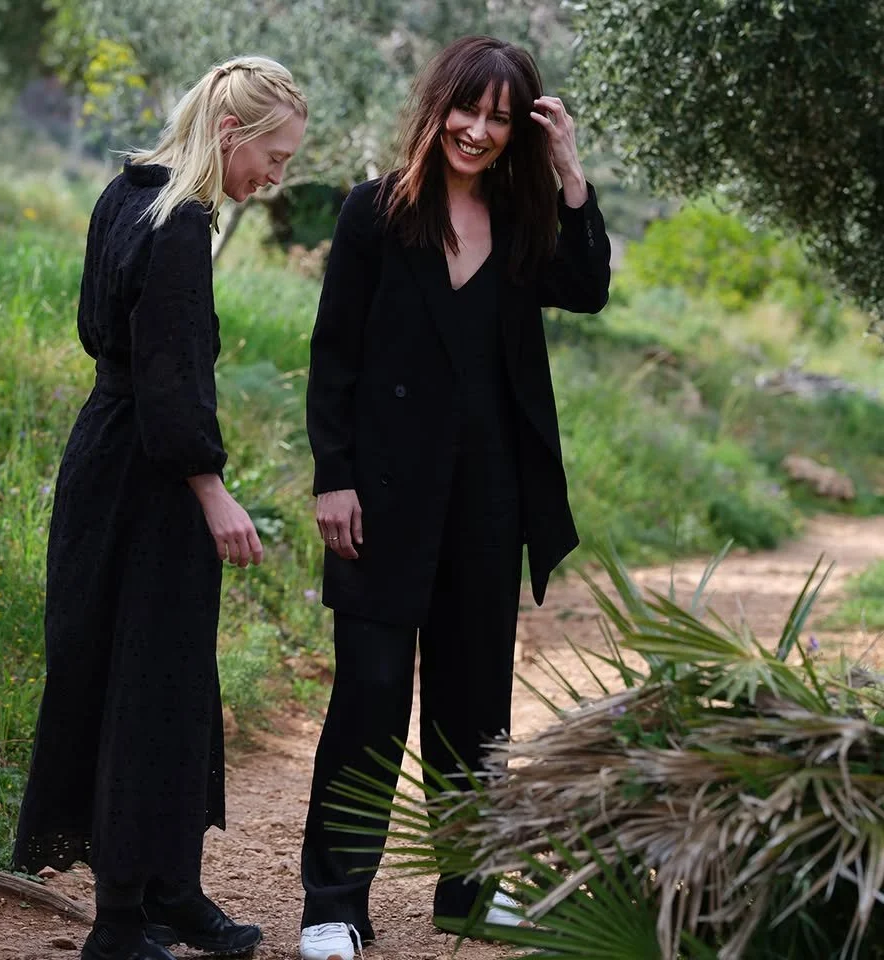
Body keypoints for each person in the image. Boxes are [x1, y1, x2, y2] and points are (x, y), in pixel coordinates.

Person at [297, 35, 611, 960]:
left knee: (475, 707)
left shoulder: (525, 223)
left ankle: (471, 894)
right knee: (369, 695)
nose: (478, 130)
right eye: (467, 109)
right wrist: (333, 475)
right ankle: (333, 906)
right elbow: (333, 356)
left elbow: (588, 288)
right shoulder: (373, 213)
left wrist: (570, 172)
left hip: (489, 499)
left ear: (520, 132)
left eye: (500, 119)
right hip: (380, 498)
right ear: (437, 107)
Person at [10, 56, 307, 960]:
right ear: (231, 133)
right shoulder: (177, 222)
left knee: (146, 677)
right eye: (275, 157)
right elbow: (171, 379)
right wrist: (212, 491)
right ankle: (120, 924)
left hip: (103, 456)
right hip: (150, 479)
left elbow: (102, 337)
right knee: (146, 686)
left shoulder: (127, 193)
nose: (276, 177)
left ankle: (171, 892)